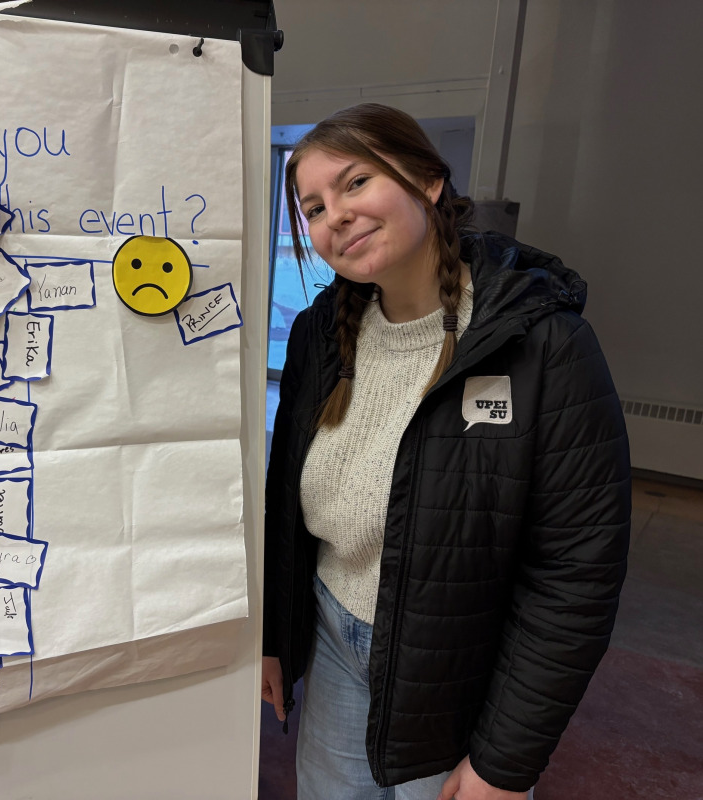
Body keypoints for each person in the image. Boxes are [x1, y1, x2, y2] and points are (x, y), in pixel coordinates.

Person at [260, 103, 631, 800]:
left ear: (427, 181)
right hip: (335, 640)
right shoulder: (319, 334)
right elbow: (288, 498)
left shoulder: (541, 343)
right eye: (311, 206)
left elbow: (575, 575)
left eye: (354, 183)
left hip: (456, 674)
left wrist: (504, 762)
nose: (333, 215)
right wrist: (275, 637)